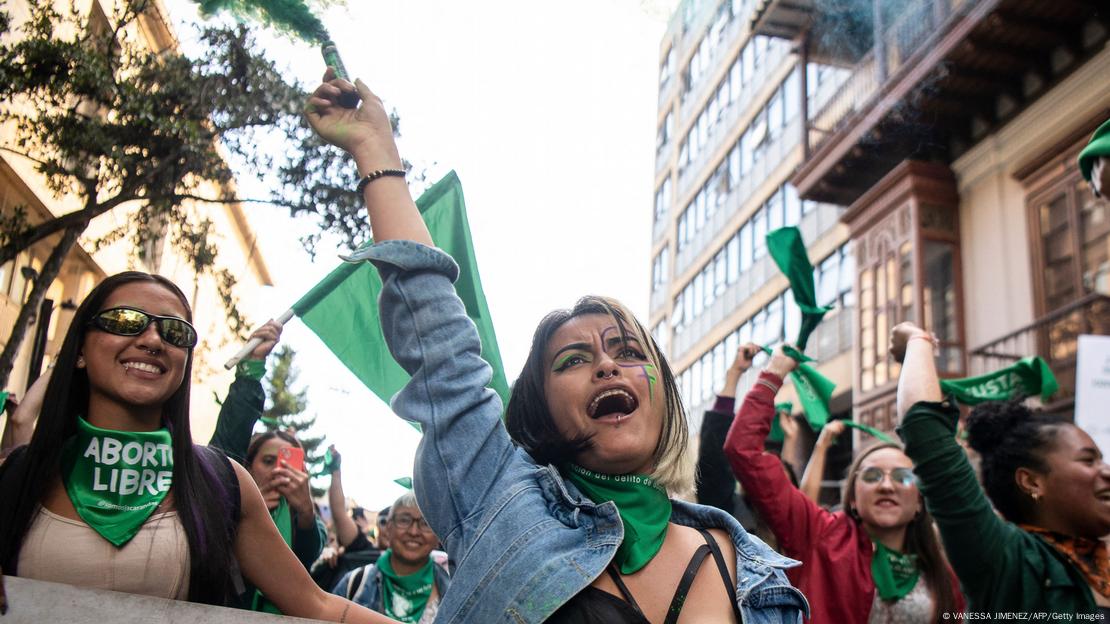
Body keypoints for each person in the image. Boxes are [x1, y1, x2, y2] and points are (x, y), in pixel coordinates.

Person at [304, 71, 807, 622]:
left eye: (630, 352)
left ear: (664, 391)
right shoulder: (496, 493)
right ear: (539, 407)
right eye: (573, 360)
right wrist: (377, 152)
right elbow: (437, 331)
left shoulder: (758, 573)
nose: (608, 365)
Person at [0, 271, 393, 623]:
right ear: (80, 350)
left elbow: (318, 605)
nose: (152, 339)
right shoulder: (15, 477)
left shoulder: (223, 483)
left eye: (174, 332)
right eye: (125, 321)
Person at [724, 342, 963, 623]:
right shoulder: (820, 534)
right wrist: (773, 375)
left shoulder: (943, 573)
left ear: (919, 503)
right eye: (873, 476)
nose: (887, 486)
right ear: (852, 498)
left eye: (902, 477)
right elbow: (744, 450)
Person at [891, 321, 1110, 615]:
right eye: (1088, 460)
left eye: (1102, 459)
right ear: (1032, 482)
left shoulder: (1098, 565)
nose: (1107, 471)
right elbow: (926, 429)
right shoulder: (1006, 561)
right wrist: (918, 340)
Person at [331, 492, 450, 623]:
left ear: (437, 534)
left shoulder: (455, 585)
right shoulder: (355, 582)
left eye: (426, 523)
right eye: (404, 520)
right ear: (388, 528)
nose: (414, 531)